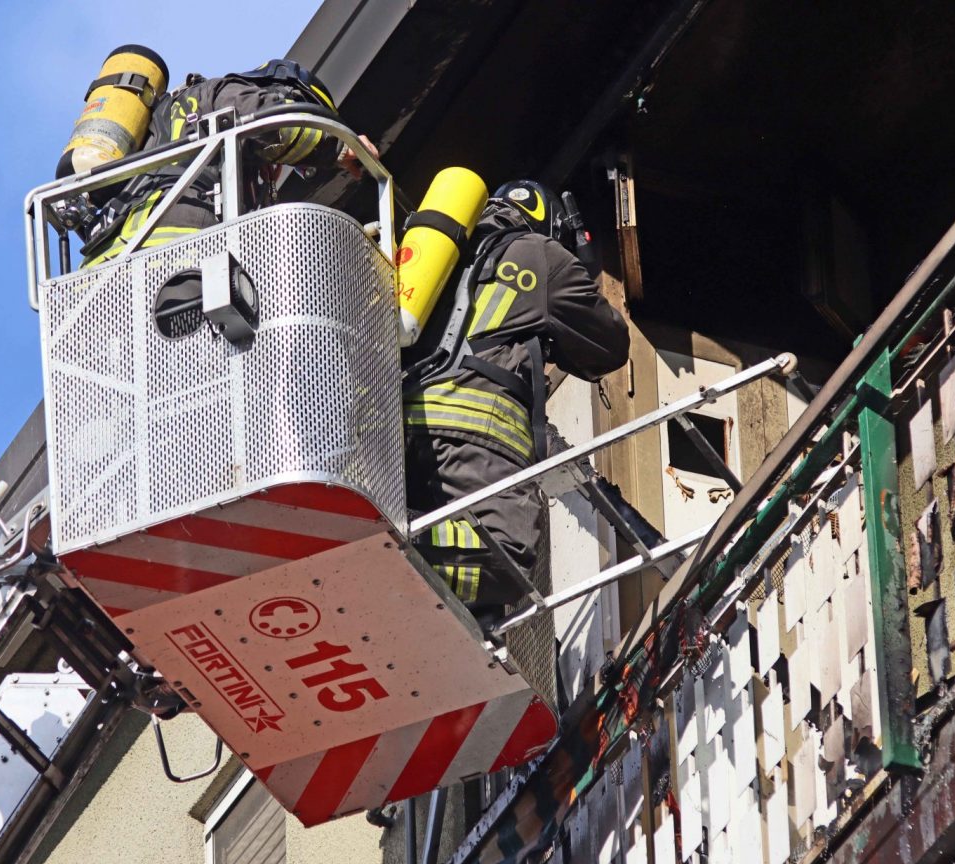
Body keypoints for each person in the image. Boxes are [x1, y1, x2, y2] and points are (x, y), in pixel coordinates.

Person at [403, 180, 630, 623]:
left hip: (399, 428)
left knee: (454, 555)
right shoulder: (539, 253)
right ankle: (387, 549)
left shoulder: (442, 252)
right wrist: (584, 269)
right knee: (503, 561)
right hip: (476, 436)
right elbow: (608, 347)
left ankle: (395, 551)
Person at [78, 58, 376, 268]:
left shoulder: (168, 120)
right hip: (174, 259)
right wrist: (337, 145)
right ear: (285, 93)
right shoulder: (221, 94)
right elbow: (273, 121)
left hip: (103, 273)